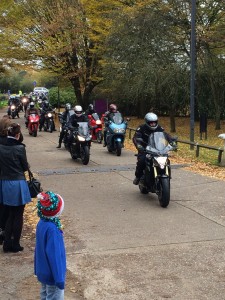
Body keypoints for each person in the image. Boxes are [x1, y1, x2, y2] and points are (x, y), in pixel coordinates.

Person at [0, 123, 31, 252]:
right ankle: (16, 244)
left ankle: (7, 244)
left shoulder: (1, 147)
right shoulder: (19, 148)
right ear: (17, 135)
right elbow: (25, 167)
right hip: (18, 183)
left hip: (5, 183)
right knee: (18, 214)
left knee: (9, 214)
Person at [34, 191, 66, 300]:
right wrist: (59, 280)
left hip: (43, 271)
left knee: (44, 294)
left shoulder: (41, 223)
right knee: (53, 296)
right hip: (53, 275)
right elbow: (55, 256)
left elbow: (38, 248)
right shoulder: (53, 230)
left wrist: (37, 269)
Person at [132, 112, 174, 185]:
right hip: (145, 149)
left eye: (154, 122)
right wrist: (139, 146)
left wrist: (171, 142)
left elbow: (166, 136)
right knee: (142, 161)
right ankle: (138, 177)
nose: (153, 124)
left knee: (167, 161)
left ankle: (167, 176)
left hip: (158, 149)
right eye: (151, 123)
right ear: (147, 122)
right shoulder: (141, 128)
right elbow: (136, 138)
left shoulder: (159, 128)